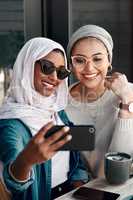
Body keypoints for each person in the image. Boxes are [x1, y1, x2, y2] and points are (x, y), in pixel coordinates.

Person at [0, 37, 89, 200]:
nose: (55, 77)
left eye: (62, 72)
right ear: (27, 65)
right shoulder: (11, 124)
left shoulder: (56, 110)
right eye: (47, 67)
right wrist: (26, 160)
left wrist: (80, 187)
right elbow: (11, 182)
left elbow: (75, 157)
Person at [65, 24, 133, 178]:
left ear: (109, 61)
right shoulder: (62, 105)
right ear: (71, 64)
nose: (89, 68)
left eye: (97, 59)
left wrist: (126, 103)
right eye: (80, 60)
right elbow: (77, 166)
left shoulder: (130, 92)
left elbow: (122, 163)